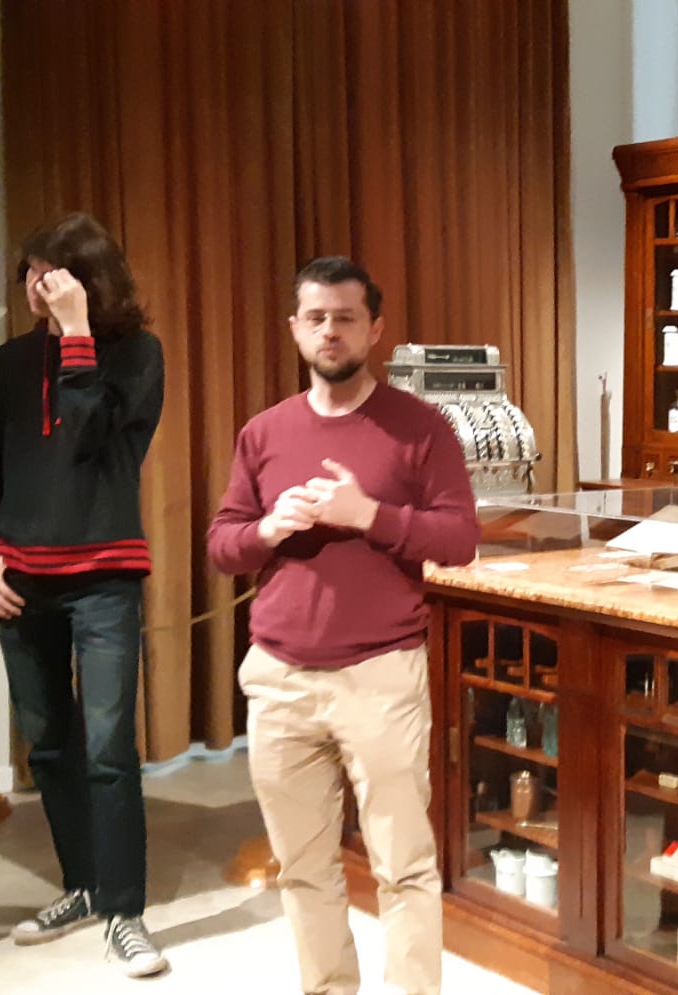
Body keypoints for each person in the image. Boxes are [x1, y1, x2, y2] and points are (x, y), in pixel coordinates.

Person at [207, 257, 478, 995]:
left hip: (381, 675)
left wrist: (370, 515)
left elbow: (460, 539)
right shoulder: (263, 432)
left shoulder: (421, 428)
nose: (331, 331)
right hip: (279, 678)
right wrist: (267, 528)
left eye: (347, 317)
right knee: (302, 867)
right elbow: (222, 544)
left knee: (404, 866)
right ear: (295, 329)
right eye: (317, 317)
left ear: (375, 329)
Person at [0, 213, 168, 977]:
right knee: (49, 745)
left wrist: (76, 331)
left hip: (105, 578)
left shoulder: (137, 354)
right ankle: (83, 885)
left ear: (89, 279)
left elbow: (90, 435)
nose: (36, 287)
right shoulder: (6, 364)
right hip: (19, 578)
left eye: (53, 273)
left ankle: (125, 909)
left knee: (109, 750)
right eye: (30, 273)